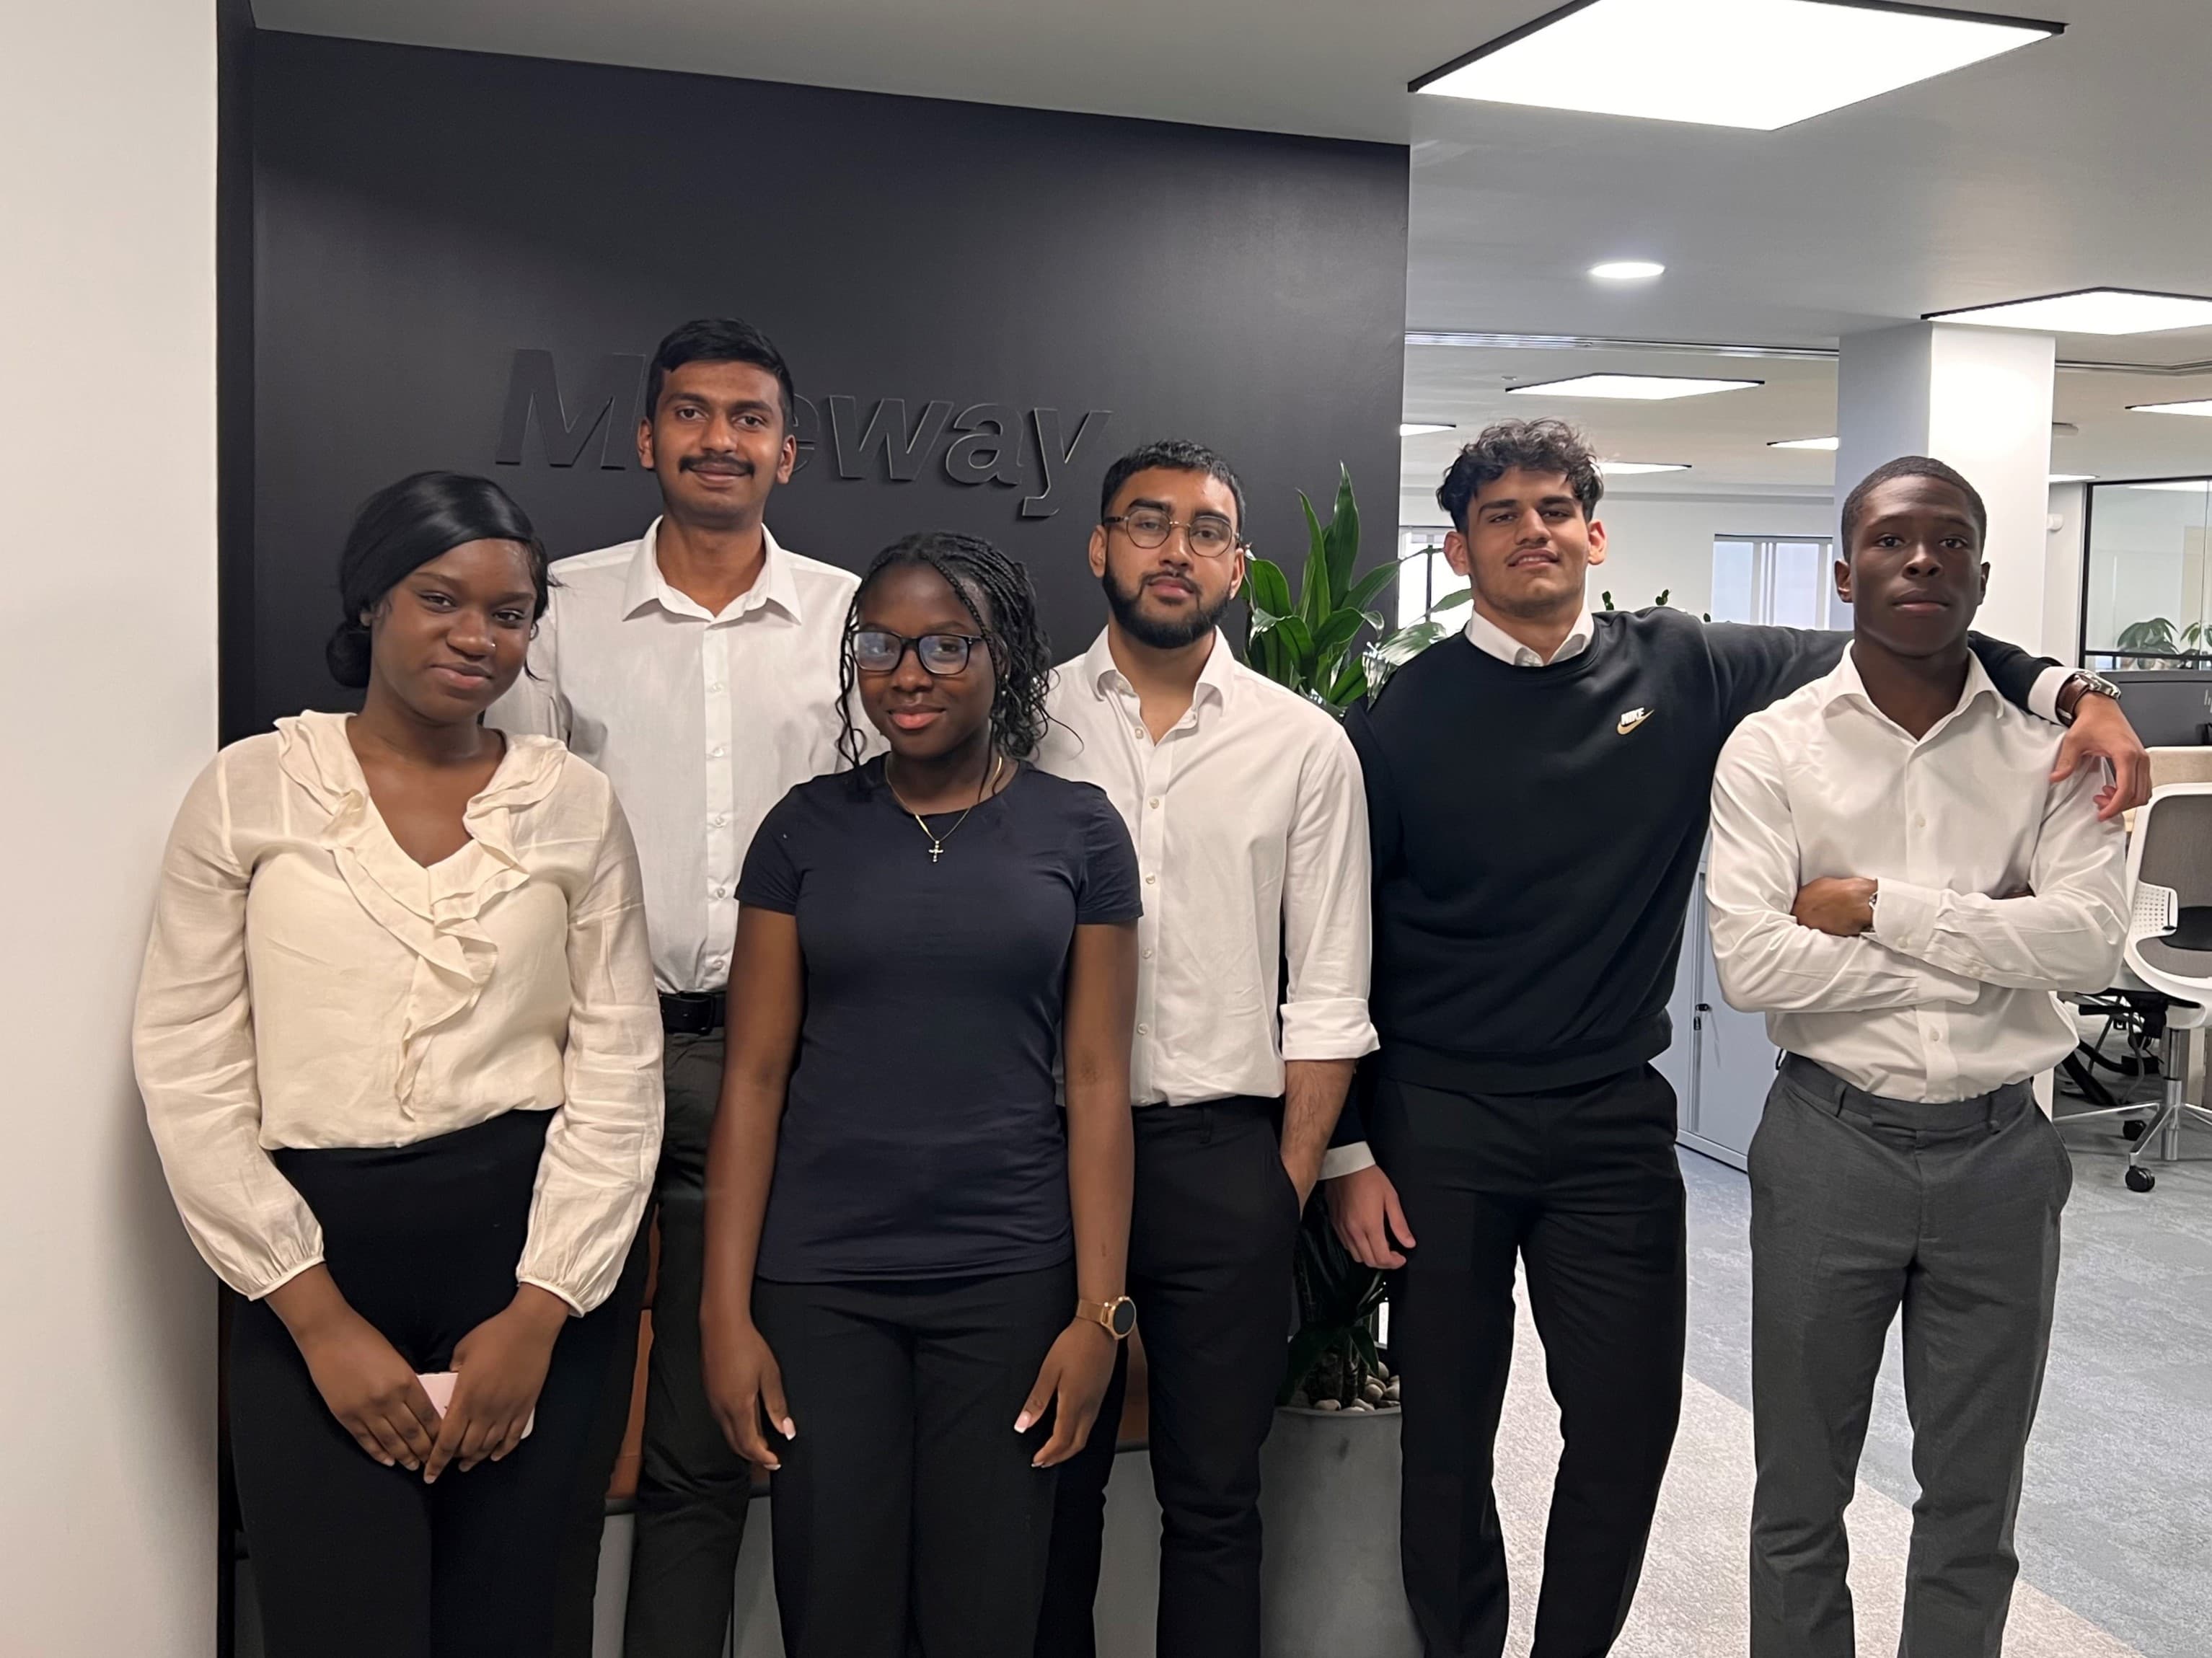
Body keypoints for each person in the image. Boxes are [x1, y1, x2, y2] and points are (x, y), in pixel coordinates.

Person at [1322, 418, 2149, 1658]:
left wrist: (2077, 692)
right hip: (1440, 1121)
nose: (1534, 532)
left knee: (1627, 1432)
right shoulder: (1400, 717)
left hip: (1610, 1117)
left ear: (1595, 534)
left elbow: (1911, 625)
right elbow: (1340, 944)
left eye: (1555, 510)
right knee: (1445, 1436)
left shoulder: (1687, 666)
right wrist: (1348, 1147)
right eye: (1501, 516)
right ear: (1459, 551)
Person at [133, 472, 662, 1658]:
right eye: (441, 599)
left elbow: (619, 1071)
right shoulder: (252, 789)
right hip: (310, 1263)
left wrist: (541, 1311)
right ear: (372, 599)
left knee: (519, 1625)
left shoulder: (573, 804)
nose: (479, 637)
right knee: (340, 1624)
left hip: (531, 1255)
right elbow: (189, 1065)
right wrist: (319, 1322)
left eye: (511, 614)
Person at [1705, 456, 2125, 1658]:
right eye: (1891, 541)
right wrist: (1992, 944)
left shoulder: (2058, 750)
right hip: (1829, 1144)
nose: (1922, 559)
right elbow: (1753, 965)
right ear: (1846, 574)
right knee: (1800, 1491)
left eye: (1949, 541)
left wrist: (1879, 908)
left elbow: (2090, 945)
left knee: (1975, 1501)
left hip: (2002, 1157)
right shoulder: (1772, 748)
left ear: (1982, 574)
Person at [488, 317, 860, 1657]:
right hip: (585, 1058)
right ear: (648, 438)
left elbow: (876, 840)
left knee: (707, 1440)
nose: (720, 440)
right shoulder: (559, 612)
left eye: (749, 418)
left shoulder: (851, 621)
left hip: (770, 1067)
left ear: (787, 452)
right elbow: (513, 835)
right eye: (692, 414)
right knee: (545, 1426)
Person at [698, 532, 1140, 1658]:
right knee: (835, 1613)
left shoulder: (1081, 830)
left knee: (984, 1618)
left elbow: (1097, 1083)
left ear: (1005, 658)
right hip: (822, 1287)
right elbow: (752, 1079)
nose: (909, 674)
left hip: (1008, 1280)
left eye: (948, 645)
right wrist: (724, 1314)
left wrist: (1100, 1315)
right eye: (883, 646)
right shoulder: (804, 830)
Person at [1034, 439, 1375, 1658]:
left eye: (1207, 531)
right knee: (1045, 1490)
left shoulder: (1304, 745)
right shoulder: (1026, 722)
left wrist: (1284, 1183)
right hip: (1041, 1160)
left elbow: (1329, 991)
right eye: (1148, 522)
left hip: (1224, 1162)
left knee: (1217, 1503)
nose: (1176, 550)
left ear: (1238, 566)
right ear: (1100, 546)